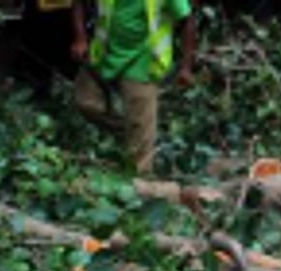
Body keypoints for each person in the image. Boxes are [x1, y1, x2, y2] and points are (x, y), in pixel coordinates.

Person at [70, 0, 196, 174]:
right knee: (85, 101)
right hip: (105, 53)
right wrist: (81, 38)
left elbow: (187, 19)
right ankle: (136, 133)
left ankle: (139, 186)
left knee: (139, 161)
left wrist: (186, 67)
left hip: (143, 61)